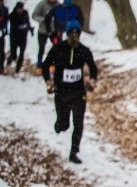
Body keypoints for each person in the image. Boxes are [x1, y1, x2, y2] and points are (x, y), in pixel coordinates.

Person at [42, 20, 98, 164]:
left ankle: (74, 152)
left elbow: (93, 67)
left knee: (78, 122)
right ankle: (59, 123)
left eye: (77, 33)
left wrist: (92, 80)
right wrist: (49, 81)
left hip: (78, 92)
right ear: (67, 34)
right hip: (61, 92)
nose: (74, 36)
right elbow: (46, 65)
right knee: (64, 124)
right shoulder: (58, 49)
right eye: (71, 33)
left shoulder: (84, 50)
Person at [32, 0, 60, 74]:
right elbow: (34, 15)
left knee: (56, 47)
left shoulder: (58, 5)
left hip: (53, 31)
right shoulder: (42, 4)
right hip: (43, 31)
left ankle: (53, 64)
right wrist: (43, 19)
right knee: (41, 48)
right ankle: (39, 65)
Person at [7, 1, 34, 74]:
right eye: (19, 9)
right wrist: (22, 26)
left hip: (23, 37)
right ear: (16, 8)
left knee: (22, 53)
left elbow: (28, 22)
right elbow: (14, 26)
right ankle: (9, 61)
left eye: (22, 8)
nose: (21, 10)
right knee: (14, 54)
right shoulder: (12, 15)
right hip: (14, 37)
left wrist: (30, 30)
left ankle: (17, 70)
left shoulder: (25, 13)